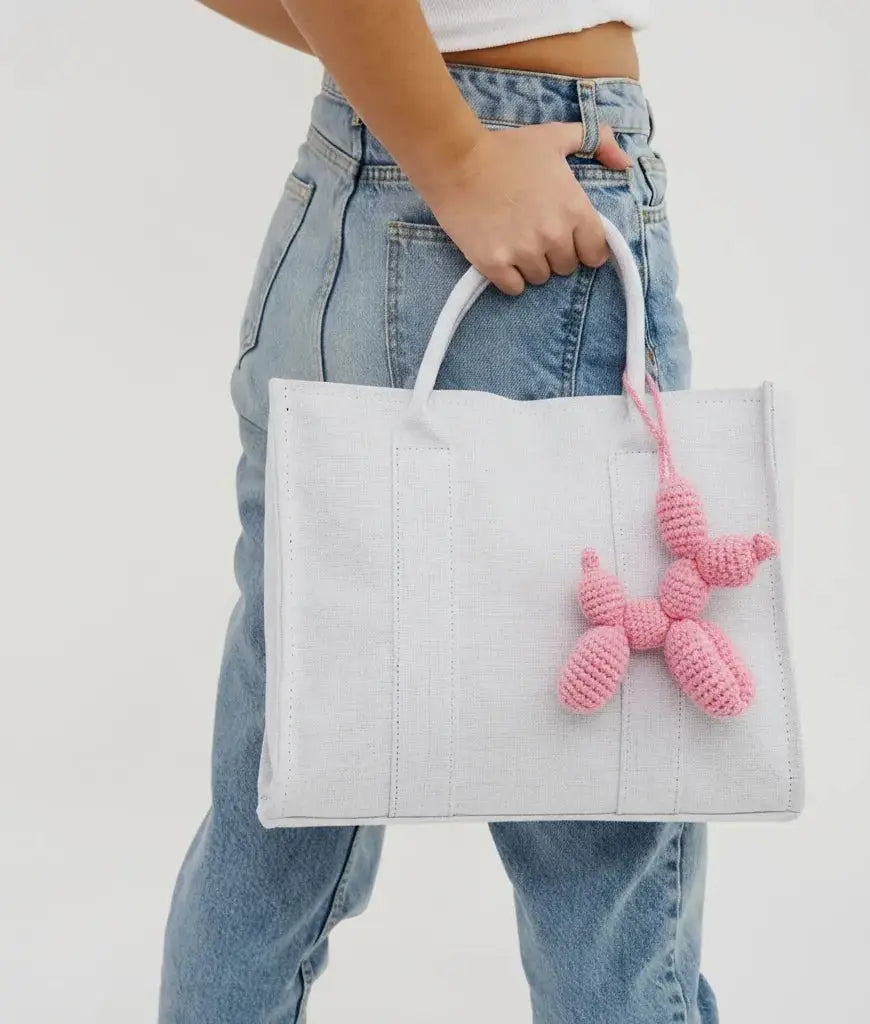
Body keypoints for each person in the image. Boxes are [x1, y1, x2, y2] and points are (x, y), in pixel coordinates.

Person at [159, 2, 716, 1021]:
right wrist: (455, 157)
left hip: (350, 197)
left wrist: (405, 90)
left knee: (277, 815)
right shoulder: (478, 166)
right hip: (516, 199)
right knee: (601, 849)